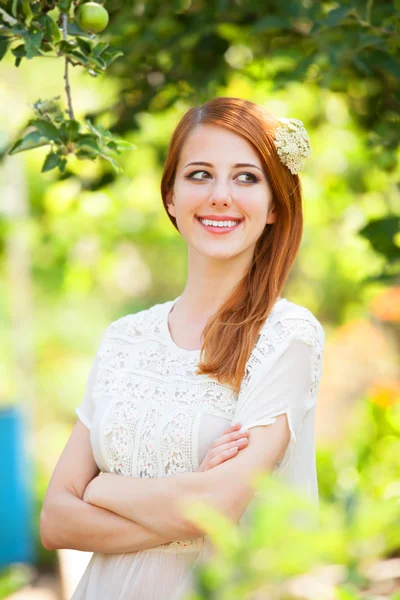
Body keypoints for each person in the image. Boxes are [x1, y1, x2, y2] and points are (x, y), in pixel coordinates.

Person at [40, 96, 325, 600]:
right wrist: (189, 503)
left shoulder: (287, 336)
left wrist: (104, 489)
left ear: (276, 205)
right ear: (170, 196)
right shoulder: (124, 338)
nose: (220, 195)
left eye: (246, 177)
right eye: (199, 174)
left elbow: (220, 504)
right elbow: (57, 521)